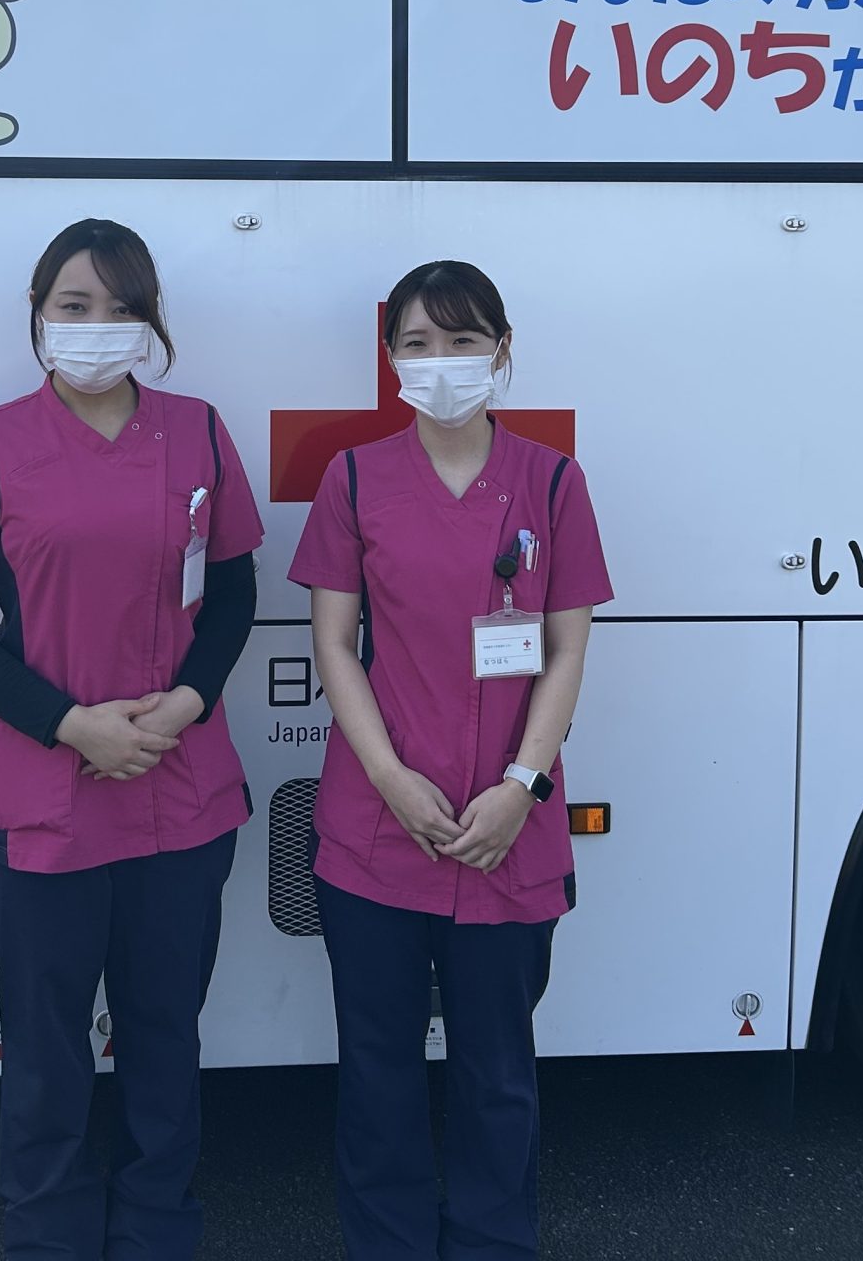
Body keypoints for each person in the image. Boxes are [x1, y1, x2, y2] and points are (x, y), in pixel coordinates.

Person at [0, 218, 263, 1261]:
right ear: (38, 314)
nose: (98, 326)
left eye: (121, 307)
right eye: (75, 306)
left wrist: (188, 703)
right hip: (42, 798)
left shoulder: (198, 433)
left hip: (178, 787)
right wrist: (71, 727)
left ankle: (158, 1231)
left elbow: (235, 595)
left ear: (149, 321)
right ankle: (49, 1238)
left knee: (165, 1036)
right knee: (46, 1047)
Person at [288, 260, 612, 1261]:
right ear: (390, 360)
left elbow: (566, 650)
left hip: (508, 831)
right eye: (418, 344)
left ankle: (491, 1243)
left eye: (463, 340)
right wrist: (388, 778)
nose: (441, 363)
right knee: (377, 1070)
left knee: (497, 1073)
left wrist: (521, 786)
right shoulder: (353, 479)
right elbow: (334, 644)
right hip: (377, 830)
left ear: (502, 351)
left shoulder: (552, 481)